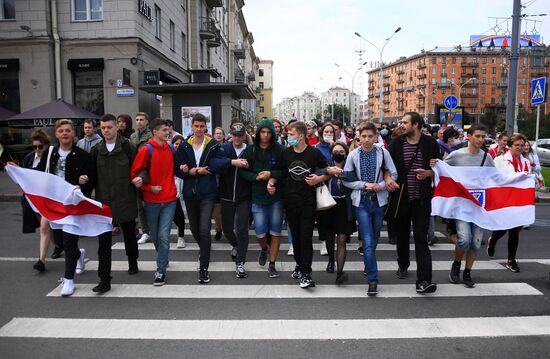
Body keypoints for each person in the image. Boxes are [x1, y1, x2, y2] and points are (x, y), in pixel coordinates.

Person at [269, 121, 335, 288]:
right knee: (296, 238)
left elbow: (327, 171)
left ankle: (307, 274)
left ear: (301, 135)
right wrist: (271, 181)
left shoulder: (314, 153)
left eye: (291, 135)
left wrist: (318, 178)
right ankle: (299, 265)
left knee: (305, 238)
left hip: (308, 202)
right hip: (290, 202)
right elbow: (280, 171)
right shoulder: (286, 153)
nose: (288, 137)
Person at [433, 124, 495, 288]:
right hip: (461, 205)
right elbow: (443, 170)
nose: (481, 140)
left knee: (475, 242)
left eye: (483, 137)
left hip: (479, 205)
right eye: (478, 136)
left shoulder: (486, 157)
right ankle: (456, 263)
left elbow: (495, 178)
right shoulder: (456, 155)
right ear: (469, 136)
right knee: (464, 239)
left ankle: (467, 272)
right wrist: (433, 166)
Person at [36, 119, 93, 296]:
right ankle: (78, 254)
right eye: (61, 131)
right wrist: (18, 170)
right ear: (57, 134)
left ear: (74, 134)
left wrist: (83, 183)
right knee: (59, 241)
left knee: (69, 241)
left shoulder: (83, 155)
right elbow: (38, 172)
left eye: (68, 130)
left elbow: (91, 178)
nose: (65, 133)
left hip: (72, 204)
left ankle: (68, 280)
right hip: (54, 203)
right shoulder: (50, 153)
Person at [386, 112, 441, 294]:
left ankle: (424, 280)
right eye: (401, 122)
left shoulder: (430, 143)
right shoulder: (396, 143)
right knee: (402, 235)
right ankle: (403, 264)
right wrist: (388, 180)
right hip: (401, 197)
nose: (402, 125)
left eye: (405, 122)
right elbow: (386, 168)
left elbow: (438, 169)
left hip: (422, 199)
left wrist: (428, 174)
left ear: (416, 125)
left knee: (420, 238)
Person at [343, 123, 397, 296]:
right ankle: (372, 280)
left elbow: (393, 173)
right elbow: (346, 179)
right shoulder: (353, 155)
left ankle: (368, 264)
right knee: (366, 240)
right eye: (363, 136)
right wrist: (365, 185)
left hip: (379, 202)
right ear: (359, 137)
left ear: (375, 137)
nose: (366, 140)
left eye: (370, 136)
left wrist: (381, 185)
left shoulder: (383, 152)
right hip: (361, 202)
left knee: (374, 238)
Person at [90, 114, 139, 293]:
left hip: (125, 199)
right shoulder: (96, 150)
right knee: (103, 243)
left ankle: (133, 261)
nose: (106, 131)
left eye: (109, 127)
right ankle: (104, 280)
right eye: (103, 128)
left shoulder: (128, 147)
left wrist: (141, 180)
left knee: (129, 236)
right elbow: (91, 177)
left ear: (117, 127)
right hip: (104, 203)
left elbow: (138, 169)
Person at [175, 113, 225, 284]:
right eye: (196, 126)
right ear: (191, 126)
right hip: (189, 194)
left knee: (204, 229)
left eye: (202, 126)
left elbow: (220, 164)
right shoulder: (184, 145)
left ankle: (204, 268)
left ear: (206, 127)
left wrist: (205, 169)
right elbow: (176, 168)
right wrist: (185, 169)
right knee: (195, 230)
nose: (198, 129)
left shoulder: (212, 145)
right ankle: (204, 248)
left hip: (208, 193)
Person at [131, 118, 177, 286]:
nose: (167, 132)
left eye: (168, 130)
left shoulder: (171, 148)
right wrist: (149, 188)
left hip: (170, 199)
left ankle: (160, 270)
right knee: (156, 236)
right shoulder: (146, 150)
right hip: (151, 201)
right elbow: (135, 174)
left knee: (164, 235)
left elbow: (176, 168)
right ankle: (163, 257)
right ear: (155, 132)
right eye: (164, 130)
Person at [240, 119, 285, 278]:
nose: (265, 135)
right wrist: (256, 178)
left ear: (273, 134)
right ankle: (264, 248)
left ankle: (272, 264)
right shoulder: (250, 150)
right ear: (258, 133)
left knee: (275, 232)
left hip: (276, 197)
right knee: (259, 233)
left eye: (268, 132)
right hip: (257, 196)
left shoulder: (279, 149)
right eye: (263, 132)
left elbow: (285, 171)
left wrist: (271, 175)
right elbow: (242, 172)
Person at [487, 133, 531, 272]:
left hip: (519, 201)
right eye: (516, 145)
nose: (519, 148)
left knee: (514, 231)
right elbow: (494, 179)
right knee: (503, 228)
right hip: (504, 200)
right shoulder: (500, 160)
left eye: (522, 145)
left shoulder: (526, 162)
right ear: (509, 146)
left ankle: (511, 261)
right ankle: (493, 239)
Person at [218, 123, 251, 277]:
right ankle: (236, 245)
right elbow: (215, 164)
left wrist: (249, 166)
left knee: (242, 229)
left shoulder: (249, 149)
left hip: (244, 196)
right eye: (235, 134)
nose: (237, 138)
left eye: (240, 135)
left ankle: (240, 263)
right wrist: (232, 162)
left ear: (244, 135)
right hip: (226, 194)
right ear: (230, 134)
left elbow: (256, 168)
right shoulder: (224, 148)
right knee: (226, 228)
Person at [320, 142, 354, 284]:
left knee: (341, 239)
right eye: (335, 151)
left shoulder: (350, 166)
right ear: (331, 153)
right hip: (328, 204)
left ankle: (340, 272)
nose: (338, 153)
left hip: (344, 206)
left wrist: (343, 174)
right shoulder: (326, 164)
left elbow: (355, 178)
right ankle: (331, 260)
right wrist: (328, 172)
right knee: (329, 236)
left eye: (341, 151)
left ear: (345, 153)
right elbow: (317, 173)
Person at [22, 130, 51, 272]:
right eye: (35, 147)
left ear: (46, 146)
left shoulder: (51, 158)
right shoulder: (28, 158)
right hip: (33, 199)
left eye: (40, 146)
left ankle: (43, 259)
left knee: (46, 228)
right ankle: (42, 260)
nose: (37, 150)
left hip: (48, 198)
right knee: (44, 228)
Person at [130, 112, 154, 244]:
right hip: (135, 171)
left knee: (149, 205)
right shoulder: (133, 136)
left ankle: (152, 229)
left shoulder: (151, 136)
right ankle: (144, 231)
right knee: (139, 205)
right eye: (137, 119)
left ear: (147, 122)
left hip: (147, 173)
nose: (139, 122)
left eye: (141, 120)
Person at [315, 123, 336, 257]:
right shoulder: (316, 148)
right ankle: (323, 242)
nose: (328, 134)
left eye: (331, 132)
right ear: (321, 133)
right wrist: (325, 174)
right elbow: (315, 168)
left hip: (335, 186)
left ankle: (331, 241)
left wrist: (334, 147)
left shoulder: (337, 147)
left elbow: (341, 163)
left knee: (334, 217)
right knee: (323, 216)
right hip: (321, 184)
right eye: (326, 132)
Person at [171, 135, 187, 248]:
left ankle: (181, 236)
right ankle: (179, 231)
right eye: (176, 143)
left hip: (182, 185)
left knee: (181, 212)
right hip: (170, 186)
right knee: (174, 214)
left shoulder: (185, 155)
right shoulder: (168, 154)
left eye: (180, 143)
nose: (178, 145)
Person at [212, 126, 226, 241]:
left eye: (220, 133)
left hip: (225, 180)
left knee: (225, 207)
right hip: (214, 180)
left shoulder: (227, 148)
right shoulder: (210, 147)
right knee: (216, 208)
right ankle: (219, 228)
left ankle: (226, 228)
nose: (218, 135)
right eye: (216, 133)